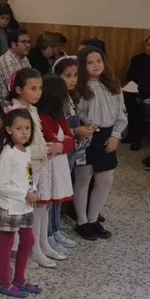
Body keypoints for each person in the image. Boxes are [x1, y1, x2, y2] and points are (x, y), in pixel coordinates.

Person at [4, 67, 57, 267]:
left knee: (35, 208)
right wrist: (46, 150)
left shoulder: (31, 109)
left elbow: (36, 139)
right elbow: (20, 146)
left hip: (35, 167)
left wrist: (46, 147)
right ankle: (17, 254)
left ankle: (36, 247)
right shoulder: (17, 112)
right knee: (21, 212)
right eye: (33, 89)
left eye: (40, 88)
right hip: (22, 170)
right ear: (19, 90)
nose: (38, 93)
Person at [73, 46, 127, 241]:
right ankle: (82, 221)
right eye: (90, 62)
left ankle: (93, 218)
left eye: (98, 61)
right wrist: (81, 126)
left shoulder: (113, 85)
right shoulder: (80, 87)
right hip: (86, 136)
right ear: (82, 65)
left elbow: (121, 114)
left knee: (105, 180)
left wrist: (115, 135)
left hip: (107, 134)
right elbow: (75, 114)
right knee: (83, 178)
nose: (95, 65)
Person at [0, 109, 40, 298]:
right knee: (7, 244)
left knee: (28, 240)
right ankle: (5, 283)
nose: (24, 132)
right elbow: (2, 185)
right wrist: (24, 194)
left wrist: (33, 189)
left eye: (27, 128)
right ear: (9, 130)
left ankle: (19, 279)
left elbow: (27, 174)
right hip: (10, 206)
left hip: (24, 205)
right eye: (19, 128)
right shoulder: (8, 155)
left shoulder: (26, 150)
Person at [34, 75, 75, 261]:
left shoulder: (59, 117)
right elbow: (53, 142)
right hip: (45, 167)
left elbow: (70, 140)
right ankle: (36, 247)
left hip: (57, 166)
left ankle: (45, 243)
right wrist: (62, 143)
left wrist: (63, 144)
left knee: (48, 206)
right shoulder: (43, 117)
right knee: (40, 207)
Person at [52, 56, 88, 250]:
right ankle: (51, 231)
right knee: (55, 192)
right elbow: (55, 130)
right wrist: (76, 131)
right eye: (68, 76)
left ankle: (56, 228)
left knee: (62, 190)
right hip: (59, 152)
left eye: (75, 75)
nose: (72, 80)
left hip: (71, 150)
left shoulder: (70, 97)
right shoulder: (55, 100)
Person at [124, 34, 150, 150]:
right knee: (130, 99)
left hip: (149, 92)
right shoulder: (138, 59)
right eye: (148, 45)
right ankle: (133, 136)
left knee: (140, 102)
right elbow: (130, 77)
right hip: (137, 90)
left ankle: (138, 138)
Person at [0, 29, 32, 111]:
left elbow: (31, 79)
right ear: (14, 44)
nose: (28, 45)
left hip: (24, 100)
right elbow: (15, 89)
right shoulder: (6, 61)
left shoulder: (24, 58)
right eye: (24, 42)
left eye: (28, 42)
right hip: (11, 105)